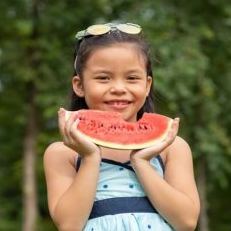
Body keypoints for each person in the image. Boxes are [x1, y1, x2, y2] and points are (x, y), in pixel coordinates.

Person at [44, 23, 200, 231]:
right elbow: (69, 225)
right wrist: (90, 158)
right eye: (103, 78)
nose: (118, 88)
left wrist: (141, 162)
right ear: (79, 86)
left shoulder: (171, 147)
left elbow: (187, 222)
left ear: (147, 85)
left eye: (132, 78)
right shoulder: (63, 153)